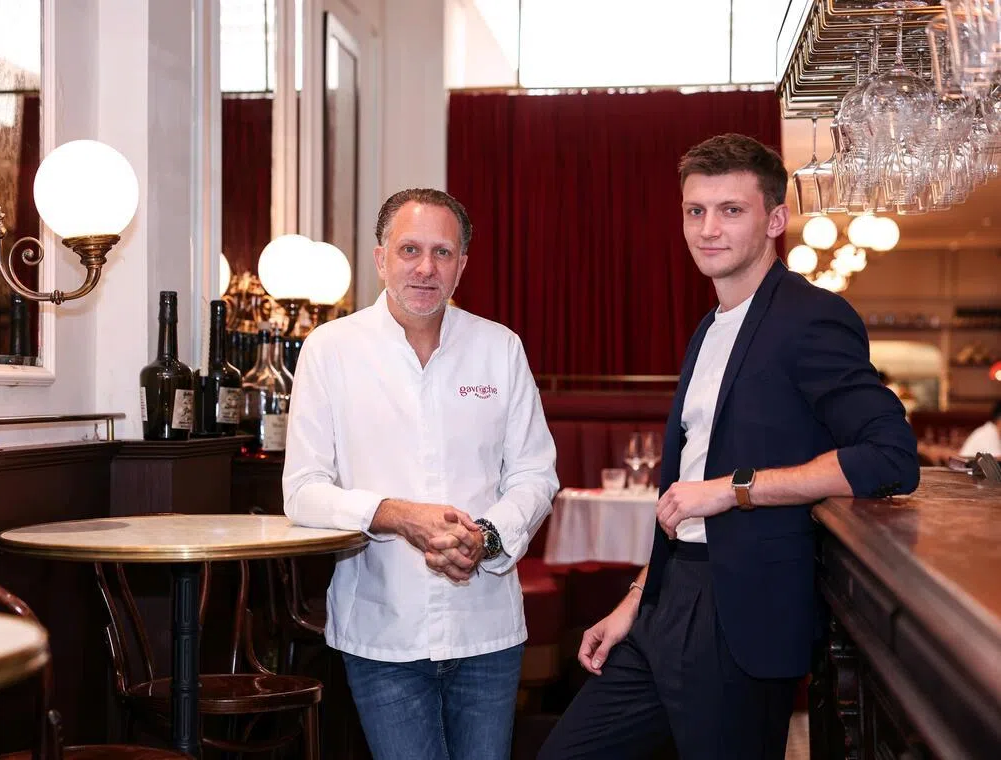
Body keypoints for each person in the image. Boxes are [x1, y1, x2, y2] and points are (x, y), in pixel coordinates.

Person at [539, 134, 919, 760]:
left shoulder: (811, 317)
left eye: (731, 210)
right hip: (670, 594)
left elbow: (890, 456)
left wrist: (735, 489)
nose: (708, 229)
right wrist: (636, 600)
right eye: (695, 211)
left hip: (740, 613)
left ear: (775, 220)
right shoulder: (710, 326)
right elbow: (688, 488)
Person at [283, 188, 558, 760]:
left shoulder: (500, 348)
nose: (426, 267)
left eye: (442, 252)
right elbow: (303, 491)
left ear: (462, 265)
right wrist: (396, 515)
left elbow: (535, 474)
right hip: (381, 632)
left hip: (486, 627)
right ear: (381, 258)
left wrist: (485, 537)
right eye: (410, 249)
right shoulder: (331, 349)